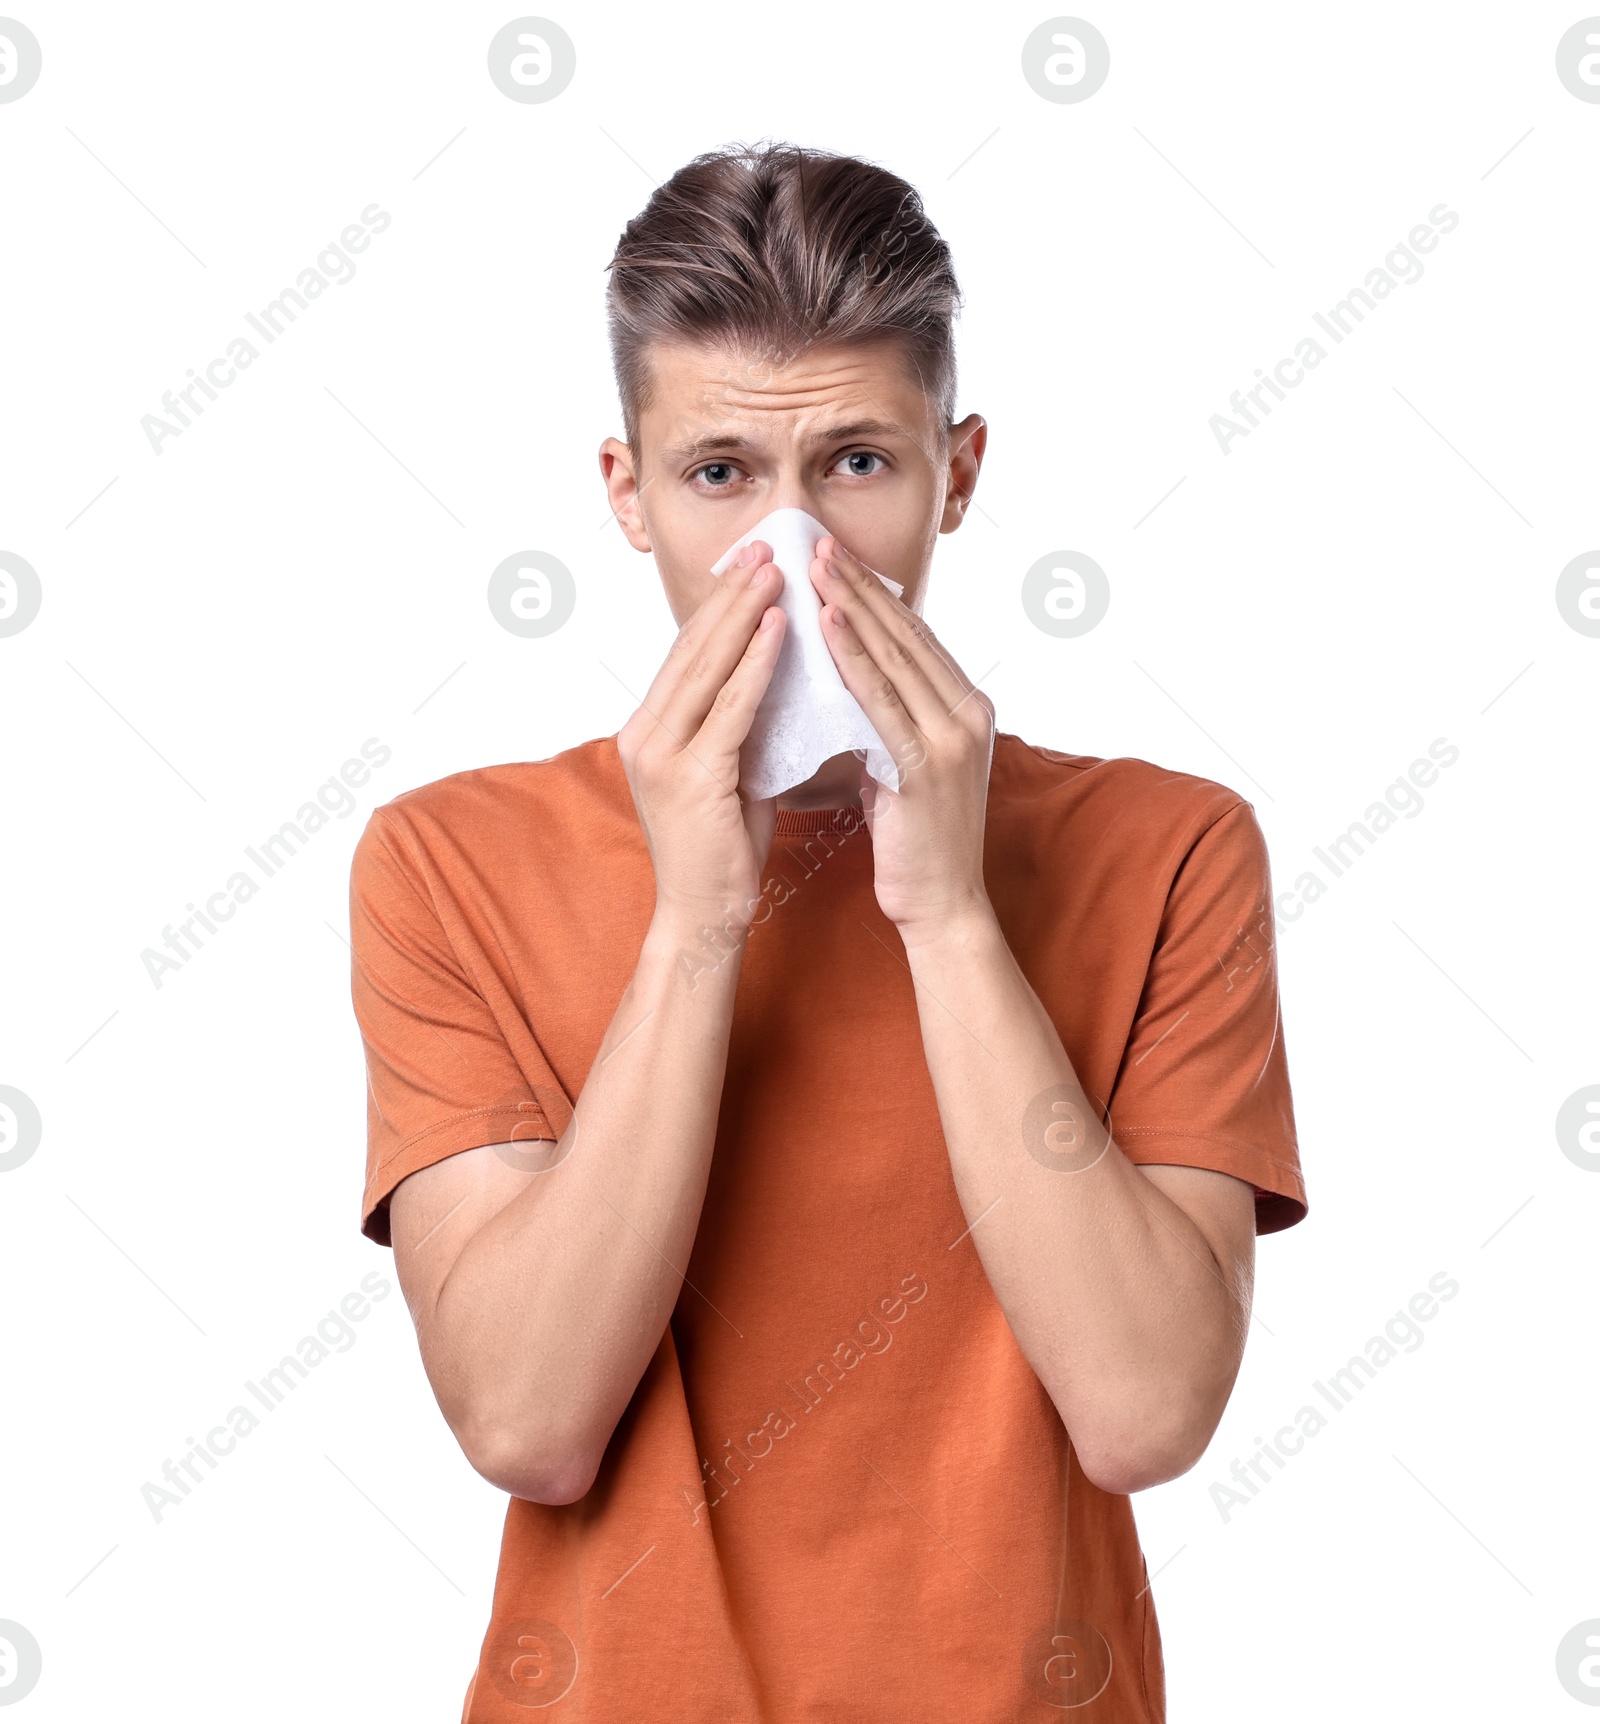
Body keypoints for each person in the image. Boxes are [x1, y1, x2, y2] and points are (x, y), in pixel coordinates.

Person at [348, 140, 1306, 1723]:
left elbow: (1144, 1412)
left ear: (961, 471)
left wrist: (944, 910)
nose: (793, 555)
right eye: (719, 474)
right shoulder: (451, 860)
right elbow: (528, 1420)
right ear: (626, 495)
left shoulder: (1168, 850)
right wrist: (698, 922)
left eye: (856, 464)